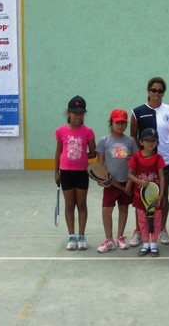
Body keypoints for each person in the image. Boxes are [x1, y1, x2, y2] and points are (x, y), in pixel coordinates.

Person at [130, 77, 169, 246]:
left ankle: (161, 229)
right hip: (144, 163)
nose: (157, 93)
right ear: (148, 91)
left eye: (160, 91)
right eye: (153, 90)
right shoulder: (137, 112)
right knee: (141, 198)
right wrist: (142, 156)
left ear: (164, 92)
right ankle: (139, 232)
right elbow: (133, 135)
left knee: (161, 196)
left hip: (166, 161)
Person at [54, 96, 96, 251]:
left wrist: (81, 154)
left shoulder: (88, 132)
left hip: (81, 174)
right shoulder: (61, 131)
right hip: (65, 172)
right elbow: (58, 152)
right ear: (69, 113)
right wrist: (56, 172)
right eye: (75, 113)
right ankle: (71, 236)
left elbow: (93, 152)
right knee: (69, 204)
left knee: (81, 204)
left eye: (81, 113)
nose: (78, 116)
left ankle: (81, 235)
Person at [96, 109, 138, 253]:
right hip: (110, 184)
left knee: (124, 208)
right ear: (111, 123)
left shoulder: (130, 141)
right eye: (117, 123)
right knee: (107, 209)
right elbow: (99, 164)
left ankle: (120, 236)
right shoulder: (104, 141)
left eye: (123, 123)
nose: (120, 126)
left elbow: (135, 164)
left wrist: (129, 183)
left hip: (126, 183)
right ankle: (109, 239)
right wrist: (100, 180)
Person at [128, 128, 165, 257]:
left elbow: (161, 177)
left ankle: (154, 244)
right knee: (142, 221)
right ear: (141, 142)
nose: (150, 143)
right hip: (140, 197)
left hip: (154, 197)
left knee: (156, 220)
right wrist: (139, 180)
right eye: (147, 140)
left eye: (153, 141)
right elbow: (129, 174)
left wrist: (160, 195)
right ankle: (145, 244)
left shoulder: (158, 158)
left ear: (157, 143)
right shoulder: (136, 157)